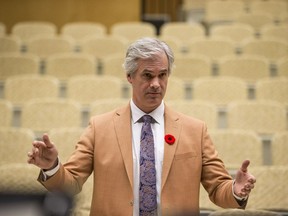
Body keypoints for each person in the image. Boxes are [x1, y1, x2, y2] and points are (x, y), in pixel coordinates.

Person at [28, 37, 256, 216]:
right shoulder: (100, 127)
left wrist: (235, 190)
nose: (156, 84)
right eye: (147, 75)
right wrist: (52, 167)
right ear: (129, 76)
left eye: (162, 75)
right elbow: (72, 182)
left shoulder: (195, 130)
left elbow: (218, 189)